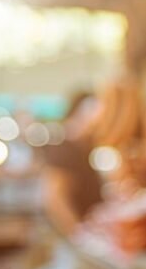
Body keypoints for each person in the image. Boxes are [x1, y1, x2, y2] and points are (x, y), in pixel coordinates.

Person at [41, 93, 103, 236]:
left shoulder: (84, 147)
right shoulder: (64, 148)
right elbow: (55, 200)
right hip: (73, 244)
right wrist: (79, 236)